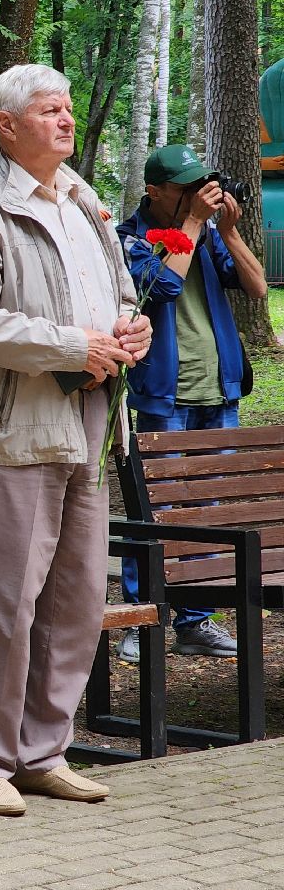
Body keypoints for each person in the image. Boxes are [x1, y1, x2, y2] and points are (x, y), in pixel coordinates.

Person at [0, 64, 152, 817]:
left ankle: (42, 751)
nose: (65, 119)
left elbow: (119, 294)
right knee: (4, 601)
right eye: (49, 110)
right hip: (13, 429)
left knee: (77, 597)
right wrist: (70, 346)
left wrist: (131, 329)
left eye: (67, 107)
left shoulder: (84, 201)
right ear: (8, 127)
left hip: (91, 421)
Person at [112, 144, 268, 663]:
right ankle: (142, 617)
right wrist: (196, 223)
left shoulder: (206, 237)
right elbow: (162, 287)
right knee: (154, 513)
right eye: (184, 187)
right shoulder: (129, 239)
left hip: (218, 391)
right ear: (153, 190)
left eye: (201, 184)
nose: (197, 194)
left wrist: (225, 229)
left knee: (208, 511)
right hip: (164, 395)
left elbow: (258, 288)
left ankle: (195, 621)